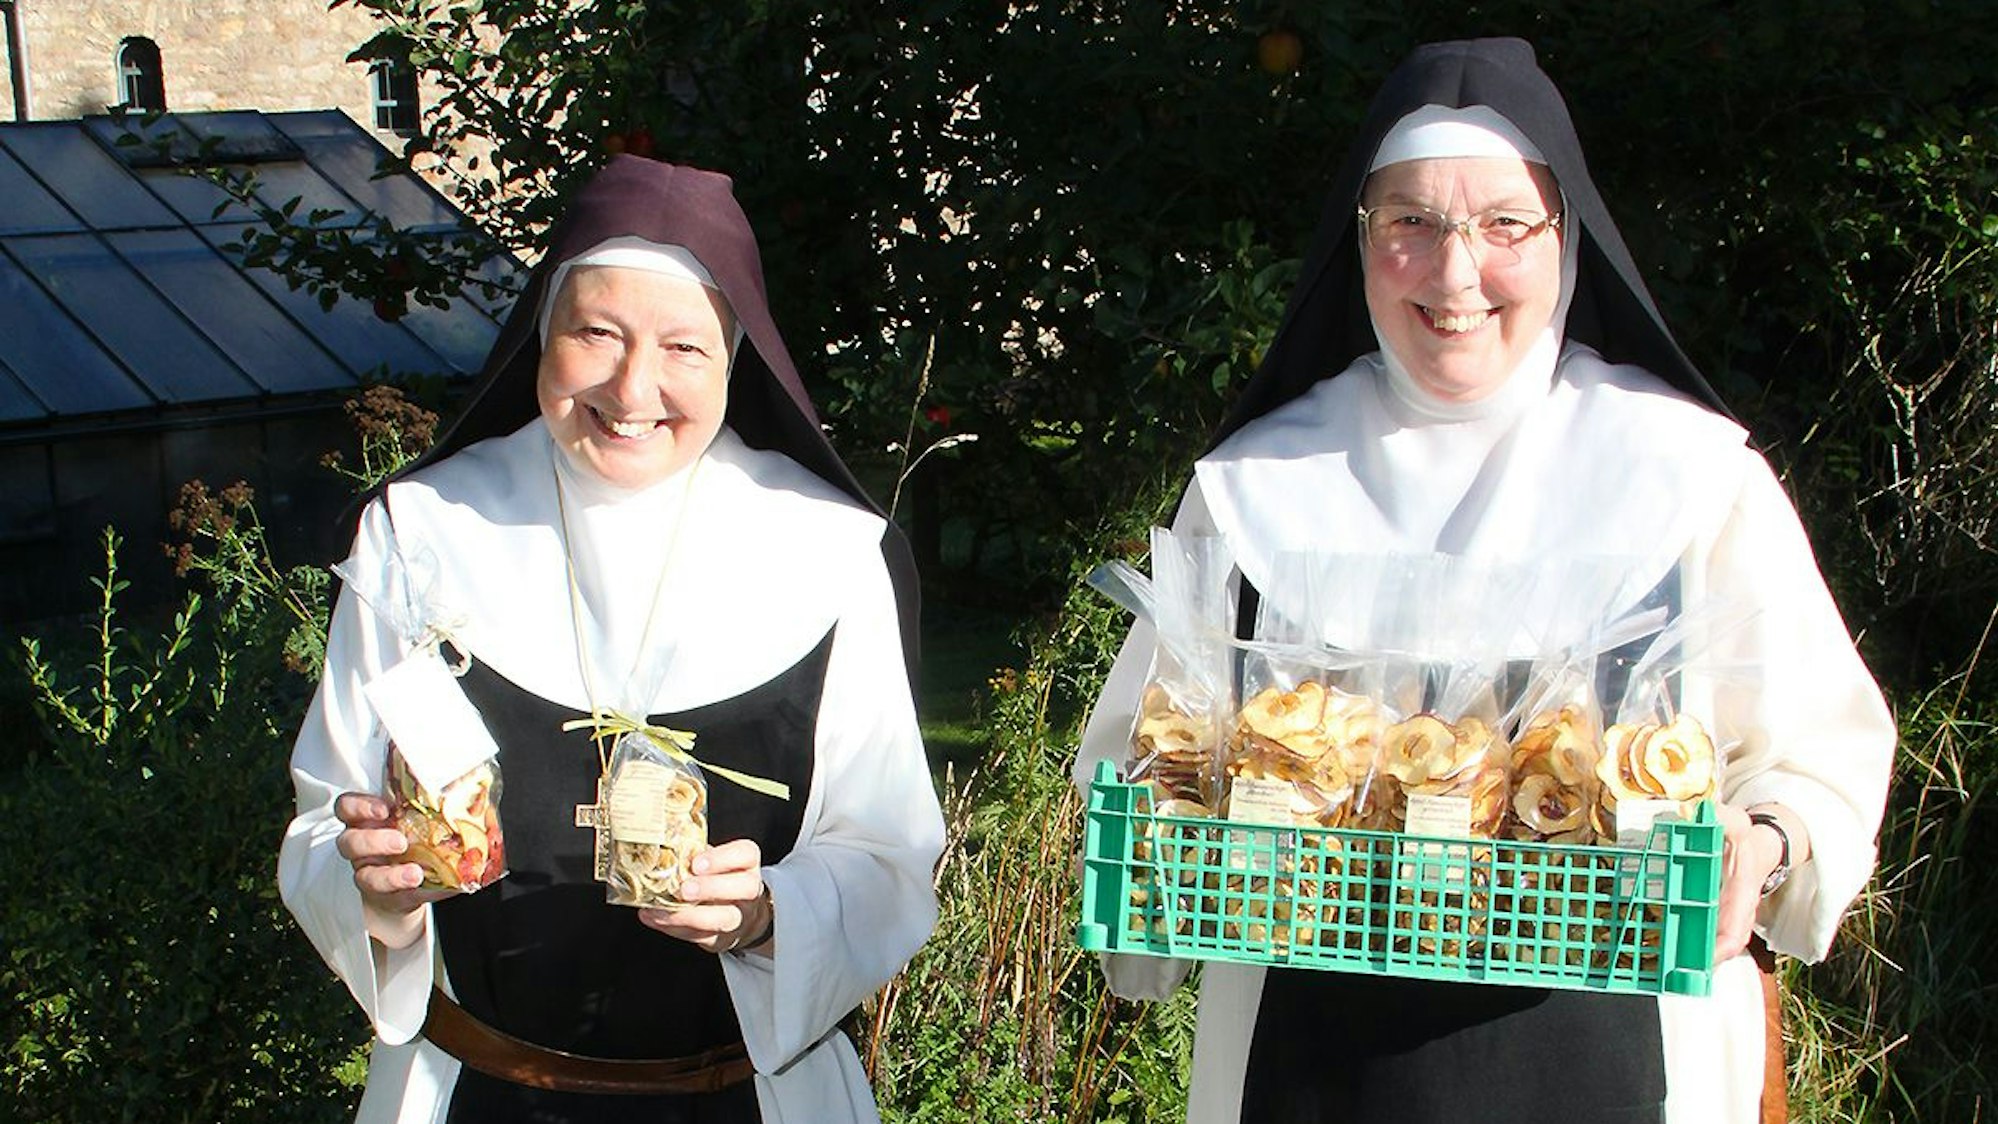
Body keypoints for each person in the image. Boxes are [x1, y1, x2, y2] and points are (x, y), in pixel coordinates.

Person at [1075, 37, 1893, 1124]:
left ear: (1567, 238)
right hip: (1307, 1072)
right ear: (1358, 242)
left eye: (1505, 223)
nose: (1456, 272)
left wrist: (1772, 841)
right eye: (1409, 221)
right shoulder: (1257, 486)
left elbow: (1818, 751)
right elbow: (1137, 773)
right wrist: (1155, 844)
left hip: (1626, 1067)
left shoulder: (1689, 472)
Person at [280, 156, 945, 1123]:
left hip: (750, 1098)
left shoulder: (829, 553)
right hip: (473, 1094)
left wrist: (767, 916)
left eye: (685, 347)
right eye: (597, 332)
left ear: (734, 360)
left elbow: (888, 851)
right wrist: (374, 892)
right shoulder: (422, 535)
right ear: (540, 336)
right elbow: (317, 825)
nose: (635, 389)